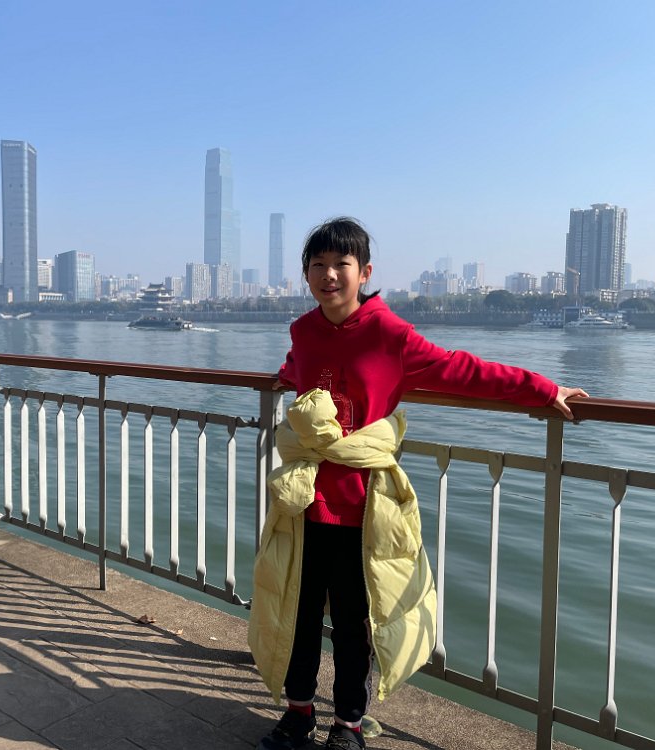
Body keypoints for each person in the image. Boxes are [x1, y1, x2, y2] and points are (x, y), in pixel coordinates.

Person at [248, 217, 588, 750]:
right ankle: (298, 713)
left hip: (364, 505)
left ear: (365, 273)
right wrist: (287, 373)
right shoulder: (303, 330)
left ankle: (348, 724)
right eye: (318, 265)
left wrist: (542, 389)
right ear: (306, 274)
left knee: (356, 621)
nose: (329, 275)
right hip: (304, 500)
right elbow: (301, 363)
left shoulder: (390, 335)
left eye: (341, 264)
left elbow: (463, 370)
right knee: (297, 610)